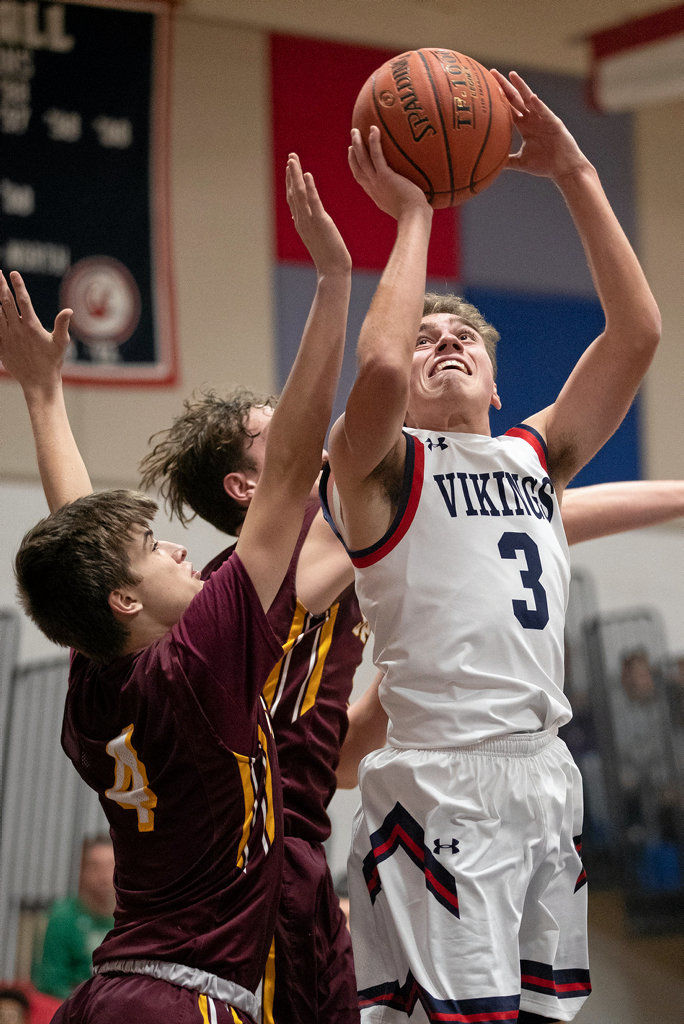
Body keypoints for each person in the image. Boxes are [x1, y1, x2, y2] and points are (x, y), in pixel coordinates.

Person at [320, 69, 661, 1023]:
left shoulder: (532, 454)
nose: (442, 342)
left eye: (463, 336)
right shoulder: (378, 465)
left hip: (547, 777)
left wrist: (577, 172)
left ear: (500, 387)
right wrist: (415, 213)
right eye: (427, 335)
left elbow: (636, 334)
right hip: (440, 782)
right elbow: (380, 362)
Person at [1, 154, 348, 1024]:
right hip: (187, 1000)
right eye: (157, 548)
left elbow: (82, 539)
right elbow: (291, 471)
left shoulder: (95, 685)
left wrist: (45, 396)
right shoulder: (199, 663)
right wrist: (334, 283)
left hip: (111, 989)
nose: (180, 552)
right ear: (126, 601)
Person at [32, 837, 115, 999]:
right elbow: (51, 983)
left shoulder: (134, 919)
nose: (103, 875)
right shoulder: (62, 917)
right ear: (82, 871)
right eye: (94, 866)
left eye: (110, 865)